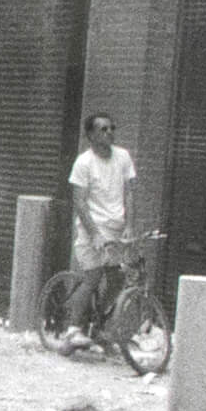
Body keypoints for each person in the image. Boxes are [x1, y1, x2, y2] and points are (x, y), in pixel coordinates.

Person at [63, 112, 136, 347]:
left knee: (116, 279)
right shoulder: (84, 163)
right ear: (91, 135)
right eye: (103, 129)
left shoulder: (123, 157)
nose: (109, 133)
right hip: (92, 228)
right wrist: (94, 233)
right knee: (93, 277)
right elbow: (80, 202)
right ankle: (73, 329)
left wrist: (130, 225)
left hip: (115, 228)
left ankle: (97, 324)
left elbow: (129, 193)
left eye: (112, 128)